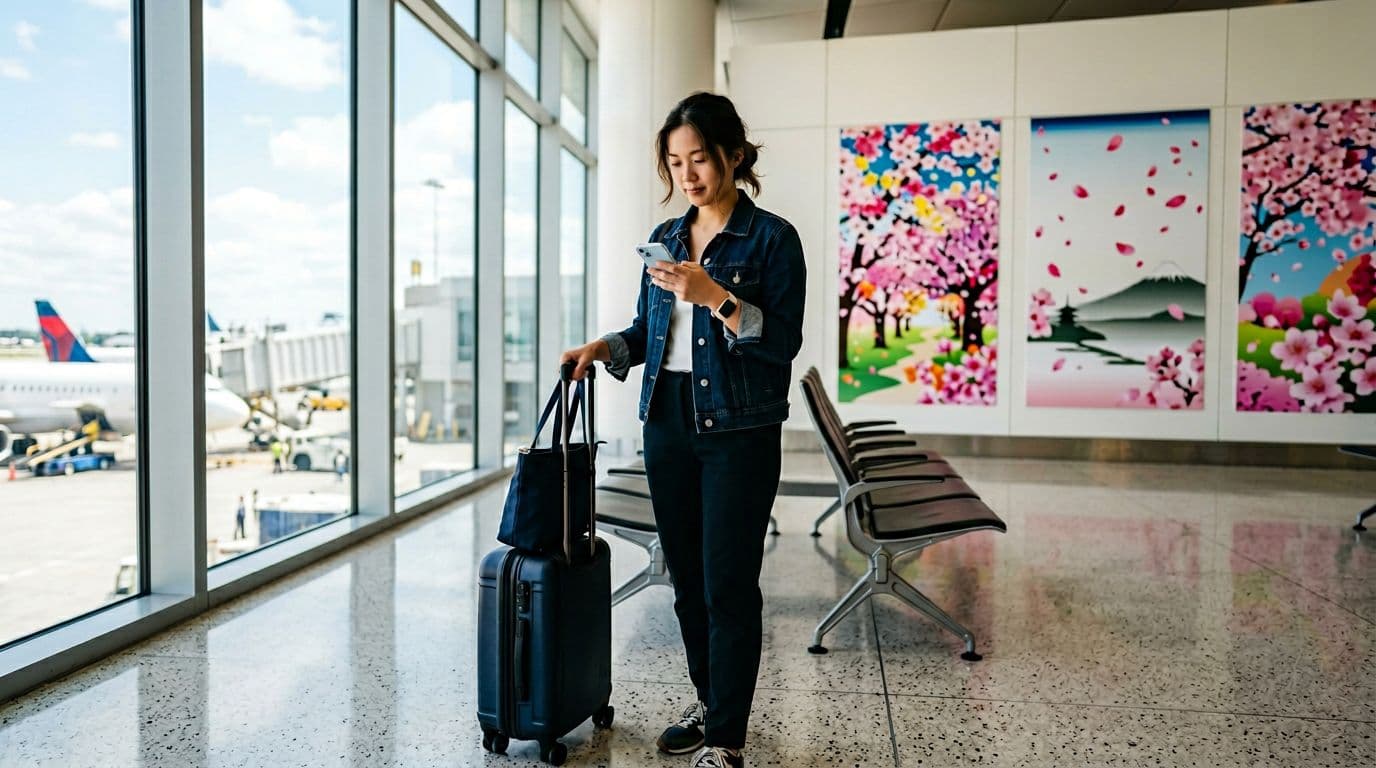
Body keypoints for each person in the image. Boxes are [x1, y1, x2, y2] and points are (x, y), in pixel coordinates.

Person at [561, 92, 805, 768]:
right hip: (666, 422)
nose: (689, 173)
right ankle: (710, 701)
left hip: (739, 429)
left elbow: (782, 342)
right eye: (676, 161)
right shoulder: (666, 239)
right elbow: (649, 333)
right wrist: (602, 349)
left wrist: (716, 297)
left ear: (734, 155)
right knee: (688, 582)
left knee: (728, 583)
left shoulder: (772, 239)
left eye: (700, 157)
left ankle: (727, 741)